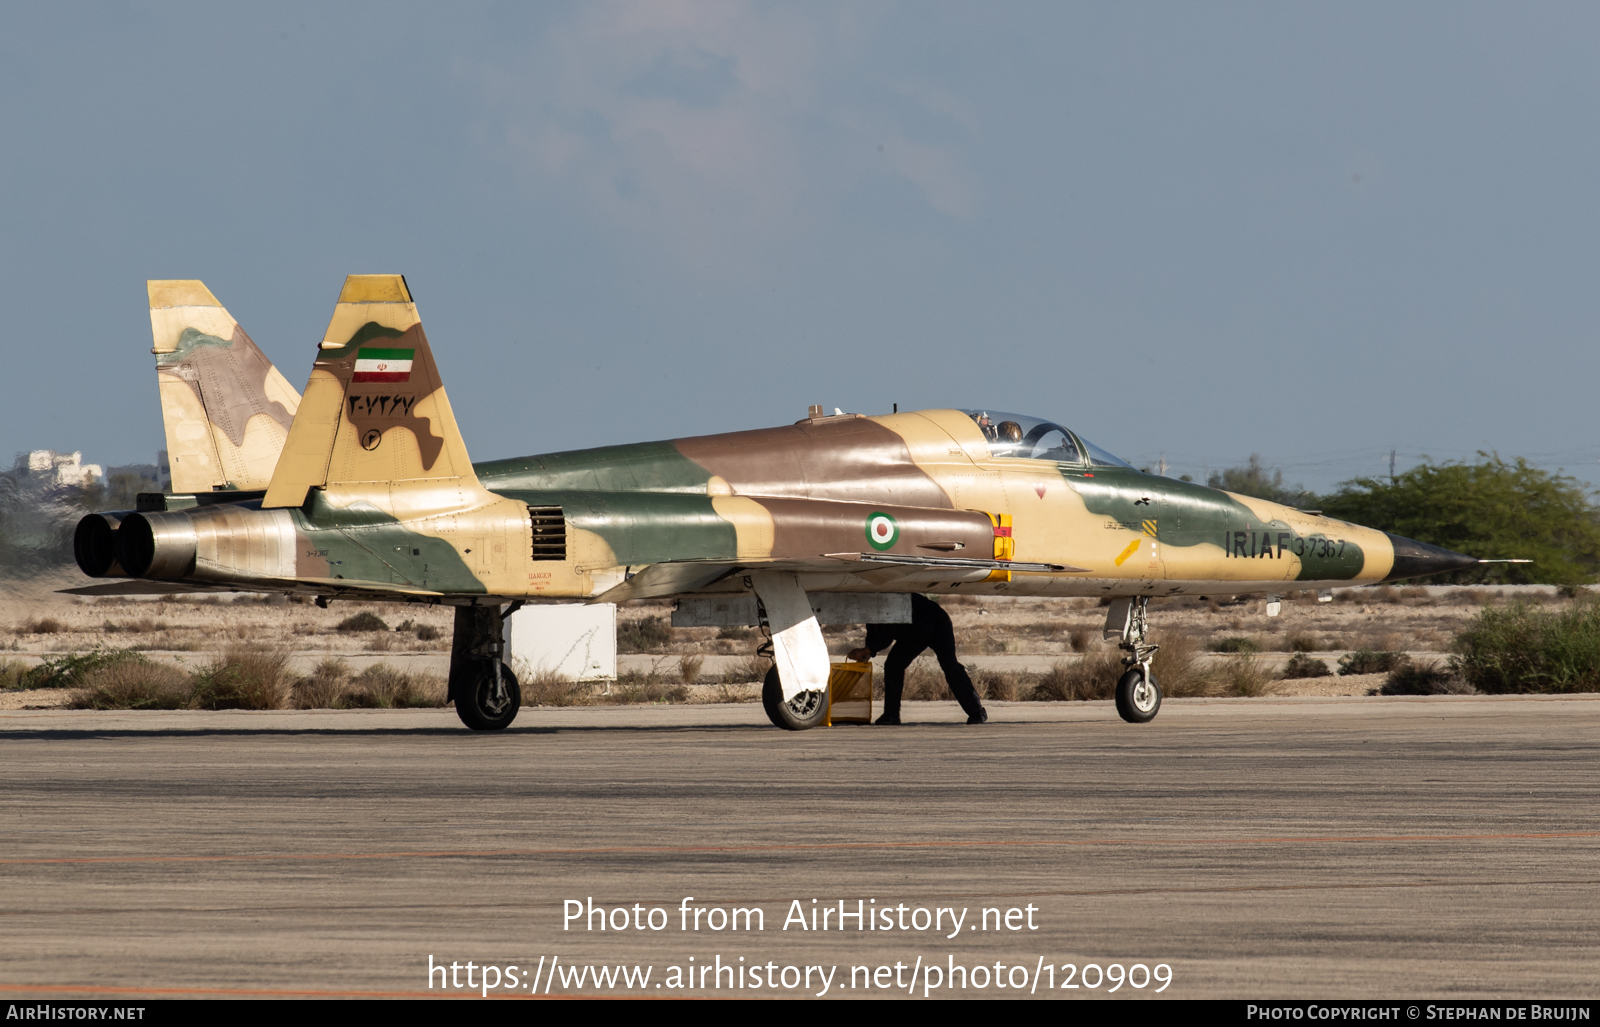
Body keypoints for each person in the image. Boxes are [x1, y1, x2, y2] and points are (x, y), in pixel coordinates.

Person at [848, 594, 988, 725]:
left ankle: (977, 712)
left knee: (950, 666)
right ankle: (891, 715)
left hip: (936, 624)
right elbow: (874, 634)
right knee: (893, 665)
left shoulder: (888, 601)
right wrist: (867, 653)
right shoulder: (870, 610)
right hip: (913, 633)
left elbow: (886, 637)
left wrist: (865, 651)